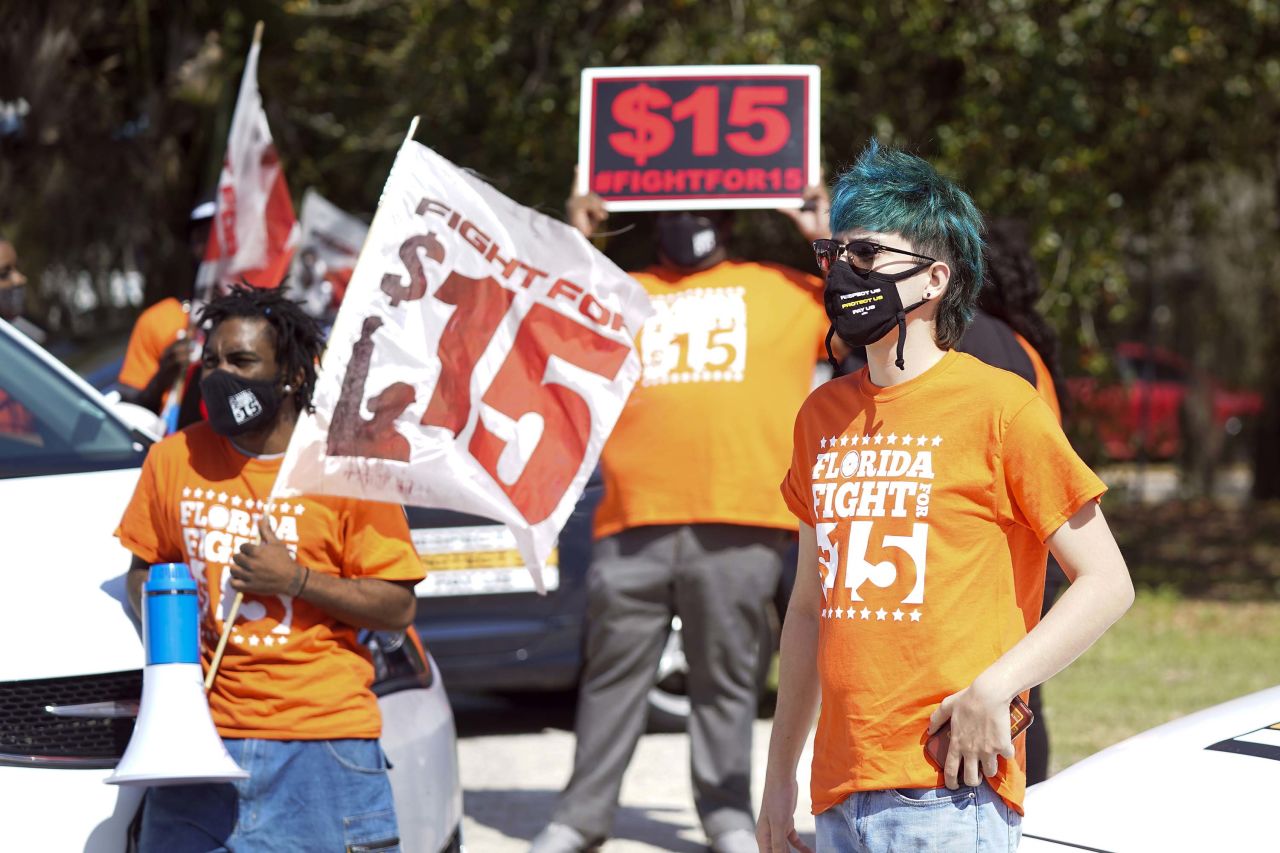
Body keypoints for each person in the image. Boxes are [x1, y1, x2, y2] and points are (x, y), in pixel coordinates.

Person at [757, 142, 1134, 853]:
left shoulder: (1001, 406)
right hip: (840, 790)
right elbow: (808, 610)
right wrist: (780, 781)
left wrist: (999, 687)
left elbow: (1108, 581)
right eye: (834, 254)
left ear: (934, 278)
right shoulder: (819, 417)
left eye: (865, 255)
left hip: (950, 792)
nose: (843, 273)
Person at [530, 181, 840, 853]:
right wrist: (577, 240)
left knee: (727, 677)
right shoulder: (619, 287)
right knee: (611, 675)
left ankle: (728, 813)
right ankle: (581, 817)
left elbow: (860, 313)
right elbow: (544, 332)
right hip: (631, 518)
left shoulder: (783, 285)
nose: (687, 222)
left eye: (702, 209)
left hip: (744, 517)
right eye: (674, 210)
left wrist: (824, 232)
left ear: (728, 217)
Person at [115, 284, 423, 851]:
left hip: (322, 746)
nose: (220, 374)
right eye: (212, 361)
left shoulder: (348, 468)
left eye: (241, 361)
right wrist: (169, 635)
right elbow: (145, 568)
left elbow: (398, 607)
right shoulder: (173, 458)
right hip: (197, 744)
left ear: (292, 377)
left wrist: (296, 581)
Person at [116, 200, 215, 414]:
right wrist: (164, 376)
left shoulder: (262, 322)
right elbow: (130, 413)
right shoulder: (157, 320)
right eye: (201, 238)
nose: (211, 249)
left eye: (219, 238)